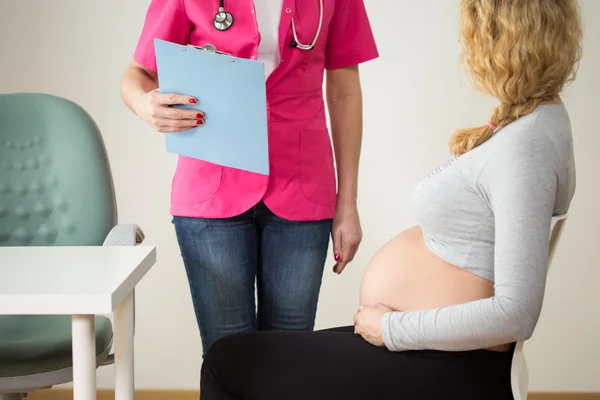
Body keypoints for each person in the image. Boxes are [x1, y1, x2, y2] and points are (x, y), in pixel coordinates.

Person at [199, 0, 583, 399]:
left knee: (226, 363)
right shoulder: (535, 124)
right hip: (431, 352)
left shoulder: (526, 148)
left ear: (498, 42)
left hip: (446, 364)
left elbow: (516, 314)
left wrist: (391, 330)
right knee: (246, 358)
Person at [120, 0, 379, 355]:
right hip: (212, 186)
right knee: (229, 353)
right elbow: (137, 73)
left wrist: (347, 203)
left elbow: (344, 89)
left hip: (302, 185)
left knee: (289, 356)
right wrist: (144, 104)